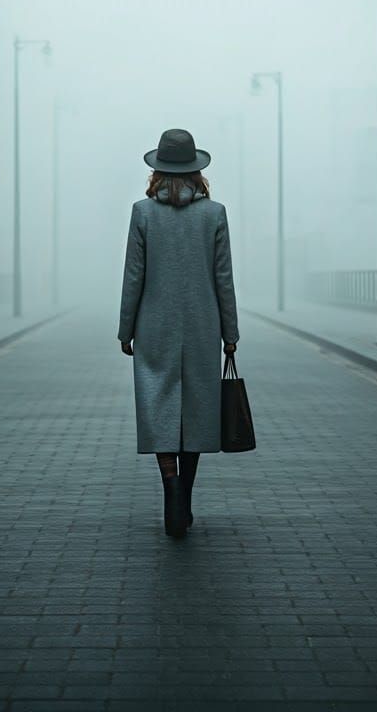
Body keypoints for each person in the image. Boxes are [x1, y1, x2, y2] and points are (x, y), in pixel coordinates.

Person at [118, 128, 239, 538]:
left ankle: (170, 488)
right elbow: (223, 278)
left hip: (154, 326)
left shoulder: (142, 212)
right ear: (196, 172)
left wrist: (125, 329)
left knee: (160, 410)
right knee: (197, 414)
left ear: (157, 171)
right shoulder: (214, 213)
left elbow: (134, 274)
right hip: (203, 327)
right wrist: (231, 333)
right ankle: (184, 496)